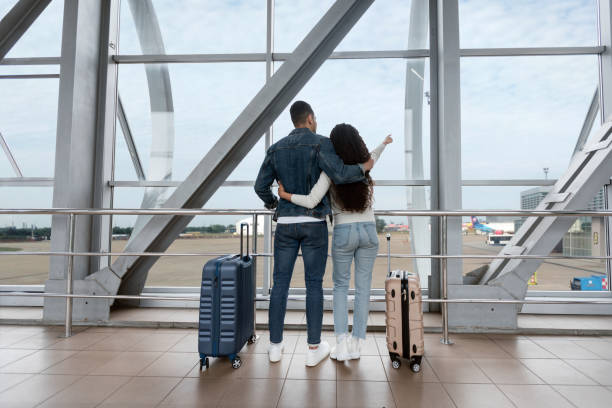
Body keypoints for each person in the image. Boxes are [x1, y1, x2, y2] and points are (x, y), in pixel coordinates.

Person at [254, 101, 374, 367]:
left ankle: (275, 347)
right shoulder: (321, 143)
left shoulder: (275, 148)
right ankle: (313, 348)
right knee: (314, 285)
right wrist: (364, 167)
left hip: (285, 224)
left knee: (280, 284)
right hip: (313, 223)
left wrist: (274, 203)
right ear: (309, 118)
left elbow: (260, 186)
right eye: (315, 118)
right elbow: (340, 175)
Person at [278, 123, 392, 361]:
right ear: (356, 142)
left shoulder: (330, 171)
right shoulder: (364, 168)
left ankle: (340, 345)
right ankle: (357, 344)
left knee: (340, 287)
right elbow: (373, 156)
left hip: (344, 232)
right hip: (369, 232)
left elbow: (311, 200)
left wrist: (285, 195)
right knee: (363, 290)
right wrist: (383, 143)